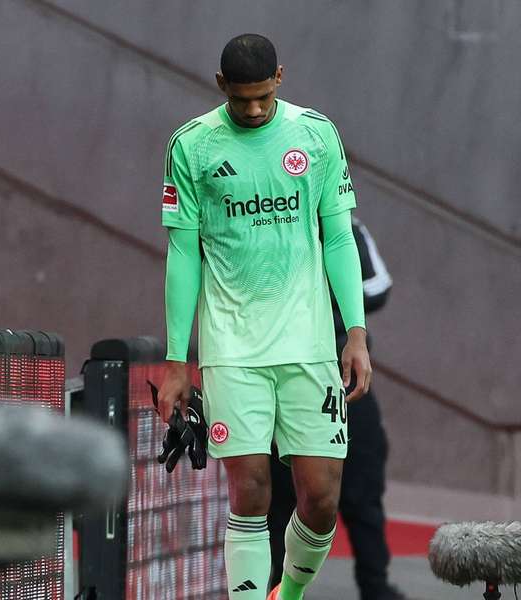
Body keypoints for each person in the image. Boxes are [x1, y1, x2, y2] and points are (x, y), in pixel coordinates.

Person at [155, 34, 371, 600]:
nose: (252, 110)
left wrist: (356, 333)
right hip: (233, 347)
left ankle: (288, 594)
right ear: (221, 85)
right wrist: (178, 361)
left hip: (309, 344)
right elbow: (183, 255)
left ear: (280, 76)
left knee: (321, 497)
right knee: (249, 490)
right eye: (241, 99)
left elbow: (339, 238)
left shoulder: (315, 135)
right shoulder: (192, 146)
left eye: (262, 97)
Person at [268, 218, 403, 599]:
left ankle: (376, 588)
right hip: (281, 381)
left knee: (363, 491)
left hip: (342, 383)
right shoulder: (268, 221)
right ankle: (275, 588)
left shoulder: (347, 226)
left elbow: (378, 286)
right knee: (278, 500)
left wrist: (317, 288)